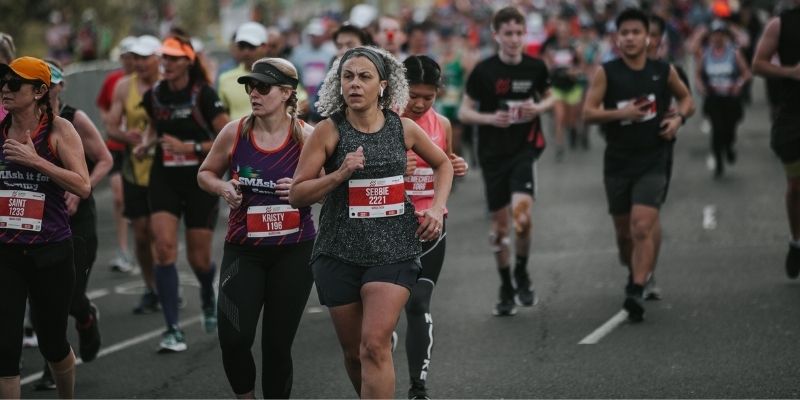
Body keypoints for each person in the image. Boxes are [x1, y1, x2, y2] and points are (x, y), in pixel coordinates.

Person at [289, 46, 453, 398]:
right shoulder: (327, 132)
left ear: (383, 85)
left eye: (364, 77)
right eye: (347, 76)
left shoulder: (404, 129)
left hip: (393, 250)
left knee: (375, 345)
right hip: (338, 253)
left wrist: (438, 208)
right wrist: (339, 174)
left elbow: (444, 164)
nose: (355, 84)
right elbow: (298, 194)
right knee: (354, 355)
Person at [198, 57, 315, 399]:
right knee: (233, 339)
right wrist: (222, 187)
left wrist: (301, 188)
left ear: (286, 93)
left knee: (277, 347)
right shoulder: (234, 132)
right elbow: (205, 173)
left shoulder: (307, 137)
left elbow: (328, 190)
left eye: (263, 87)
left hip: (293, 253)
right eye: (251, 86)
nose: (254, 94)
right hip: (244, 251)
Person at [582, 8, 694, 322]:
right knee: (624, 237)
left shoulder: (663, 70)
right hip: (618, 161)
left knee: (642, 225)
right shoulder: (608, 72)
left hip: (653, 158)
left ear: (648, 38)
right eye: (625, 33)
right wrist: (622, 114)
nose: (630, 38)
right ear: (618, 39)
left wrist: (678, 119)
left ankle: (636, 288)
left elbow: (687, 100)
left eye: (636, 32)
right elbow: (589, 113)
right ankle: (635, 271)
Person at [0, 56, 91, 399]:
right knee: (5, 349)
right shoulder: (1, 128)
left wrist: (35, 161)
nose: (5, 90)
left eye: (14, 84)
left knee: (52, 342)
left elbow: (83, 186)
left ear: (39, 91)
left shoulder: (59, 130)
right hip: (6, 252)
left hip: (50, 251)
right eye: (2, 82)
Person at [458, 6, 553, 317]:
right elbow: (463, 112)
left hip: (524, 150)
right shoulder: (484, 71)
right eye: (508, 34)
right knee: (499, 228)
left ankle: (522, 273)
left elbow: (555, 96)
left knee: (522, 217)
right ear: (496, 36)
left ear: (525, 34)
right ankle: (505, 285)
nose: (514, 40)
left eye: (518, 33)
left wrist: (538, 109)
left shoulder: (535, 67)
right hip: (493, 154)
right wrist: (489, 118)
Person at [137, 36, 229, 352]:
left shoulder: (204, 94)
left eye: (174, 58)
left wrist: (190, 148)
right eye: (164, 57)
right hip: (165, 177)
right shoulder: (154, 95)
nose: (167, 63)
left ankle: (207, 291)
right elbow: (154, 126)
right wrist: (146, 143)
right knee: (162, 247)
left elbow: (225, 136)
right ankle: (172, 329)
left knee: (198, 258)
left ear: (188, 62)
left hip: (201, 179)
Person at [35, 60, 113, 390]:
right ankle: (49, 367)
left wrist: (81, 192)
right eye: (41, 82)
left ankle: (84, 316)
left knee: (66, 296)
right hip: (39, 222)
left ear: (60, 86)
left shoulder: (73, 119)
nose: (48, 88)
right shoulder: (21, 123)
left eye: (52, 82)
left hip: (77, 221)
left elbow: (106, 159)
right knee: (41, 297)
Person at [400, 55, 468, 400]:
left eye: (429, 96)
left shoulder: (442, 123)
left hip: (431, 226)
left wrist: (456, 165)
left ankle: (418, 386)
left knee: (418, 303)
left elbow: (446, 168)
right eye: (414, 94)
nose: (421, 103)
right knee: (382, 312)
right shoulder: (382, 123)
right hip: (388, 230)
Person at [106, 35, 161, 314]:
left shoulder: (168, 85)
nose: (138, 63)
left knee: (160, 233)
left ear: (157, 59)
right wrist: (127, 136)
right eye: (135, 58)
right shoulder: (124, 87)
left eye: (144, 58)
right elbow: (111, 127)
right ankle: (151, 288)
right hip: (134, 171)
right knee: (141, 234)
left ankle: (167, 286)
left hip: (164, 171)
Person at [751, 0, 800, 279]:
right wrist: (790, 72)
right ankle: (796, 241)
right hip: (794, 117)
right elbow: (757, 65)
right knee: (796, 187)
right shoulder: (780, 24)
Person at [97, 36, 137, 273]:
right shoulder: (113, 80)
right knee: (119, 197)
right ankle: (123, 250)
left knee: (142, 203)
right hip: (116, 145)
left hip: (139, 149)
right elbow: (102, 104)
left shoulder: (147, 81)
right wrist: (108, 119)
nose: (130, 61)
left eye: (134, 57)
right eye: (126, 57)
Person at [696, 20, 751, 179]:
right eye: (714, 35)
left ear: (725, 36)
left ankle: (729, 146)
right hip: (714, 99)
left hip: (731, 99)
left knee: (729, 129)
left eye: (721, 35)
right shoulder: (705, 53)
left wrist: (738, 85)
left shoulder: (734, 52)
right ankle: (719, 161)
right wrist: (700, 86)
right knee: (717, 129)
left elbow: (746, 73)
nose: (717, 38)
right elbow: (698, 74)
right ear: (711, 36)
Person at [543, 17, 585, 159]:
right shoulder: (551, 47)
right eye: (560, 31)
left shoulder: (574, 46)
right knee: (559, 117)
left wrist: (575, 71)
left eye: (565, 31)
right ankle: (559, 146)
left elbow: (581, 66)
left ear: (569, 32)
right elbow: (547, 67)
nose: (562, 33)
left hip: (572, 87)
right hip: (557, 87)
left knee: (571, 119)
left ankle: (573, 130)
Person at [218, 22, 268, 119]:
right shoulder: (225, 79)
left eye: (251, 46)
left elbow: (301, 102)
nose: (246, 52)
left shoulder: (280, 75)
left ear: (264, 47)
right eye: (242, 46)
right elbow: (222, 112)